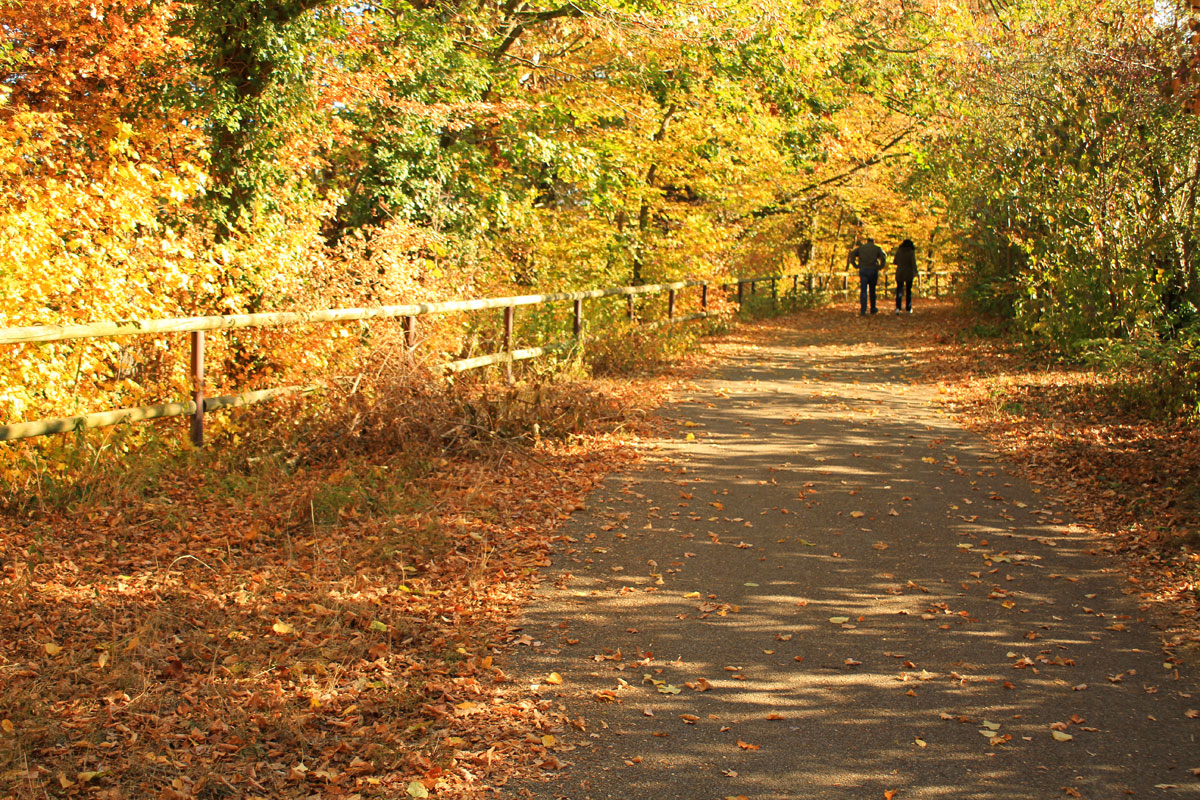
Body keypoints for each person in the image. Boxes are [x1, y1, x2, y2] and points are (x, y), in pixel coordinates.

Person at [848, 237, 887, 315]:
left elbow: (852, 254)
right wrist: (880, 266)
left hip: (863, 270)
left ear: (867, 241)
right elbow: (883, 256)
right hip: (873, 270)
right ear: (873, 241)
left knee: (863, 290)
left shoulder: (861, 248)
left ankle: (863, 309)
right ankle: (873, 308)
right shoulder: (877, 248)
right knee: (872, 290)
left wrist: (855, 265)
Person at [893, 238, 917, 314]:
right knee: (908, 291)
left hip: (900, 272)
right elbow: (913, 263)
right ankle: (908, 308)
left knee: (899, 290)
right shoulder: (911, 252)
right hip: (909, 273)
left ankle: (898, 307)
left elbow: (895, 261)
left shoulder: (899, 251)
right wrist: (915, 272)